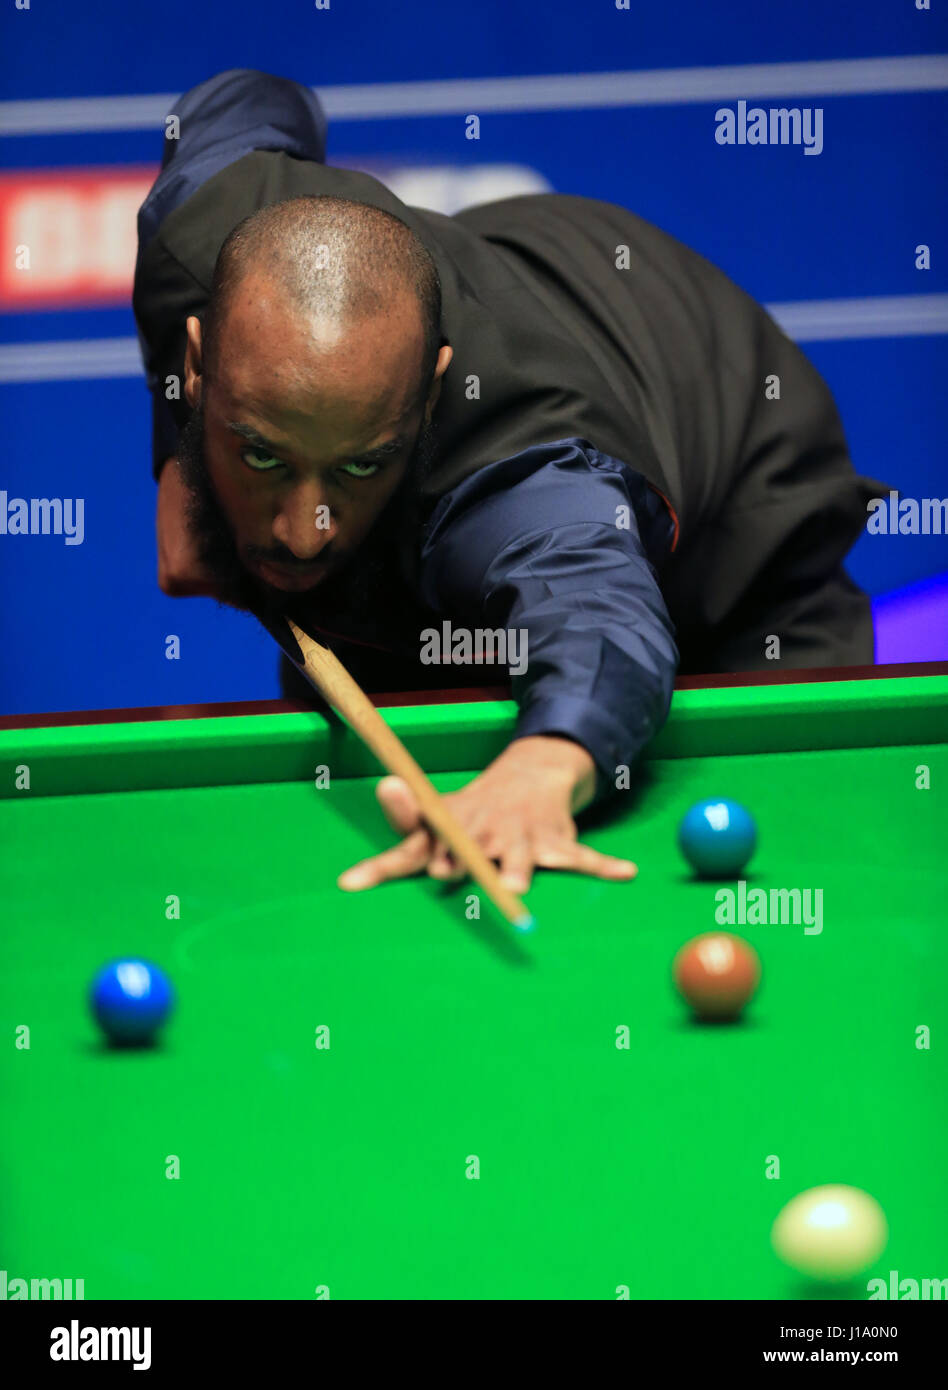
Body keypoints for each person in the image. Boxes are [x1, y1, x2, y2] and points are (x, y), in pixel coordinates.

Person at [134, 69, 882, 896]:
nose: (302, 530)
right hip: (518, 277)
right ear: (201, 362)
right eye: (265, 455)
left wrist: (550, 759)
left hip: (736, 558)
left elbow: (601, 616)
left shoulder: (526, 475)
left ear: (432, 390)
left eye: (360, 465)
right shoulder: (198, 229)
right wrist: (184, 447)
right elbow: (249, 97)